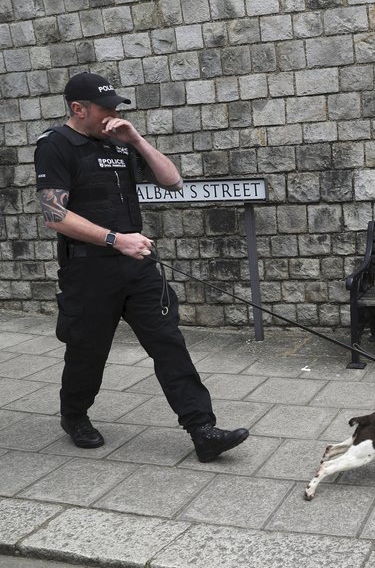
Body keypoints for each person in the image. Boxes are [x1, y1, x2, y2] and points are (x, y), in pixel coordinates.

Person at [33, 71, 249, 461]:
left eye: (116, 107)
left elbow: (173, 181)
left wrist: (135, 139)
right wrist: (116, 239)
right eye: (105, 108)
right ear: (78, 108)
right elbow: (54, 215)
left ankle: (202, 429)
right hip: (89, 271)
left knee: (168, 344)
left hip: (137, 267)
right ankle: (74, 415)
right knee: (87, 351)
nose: (112, 113)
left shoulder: (119, 144)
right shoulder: (56, 145)